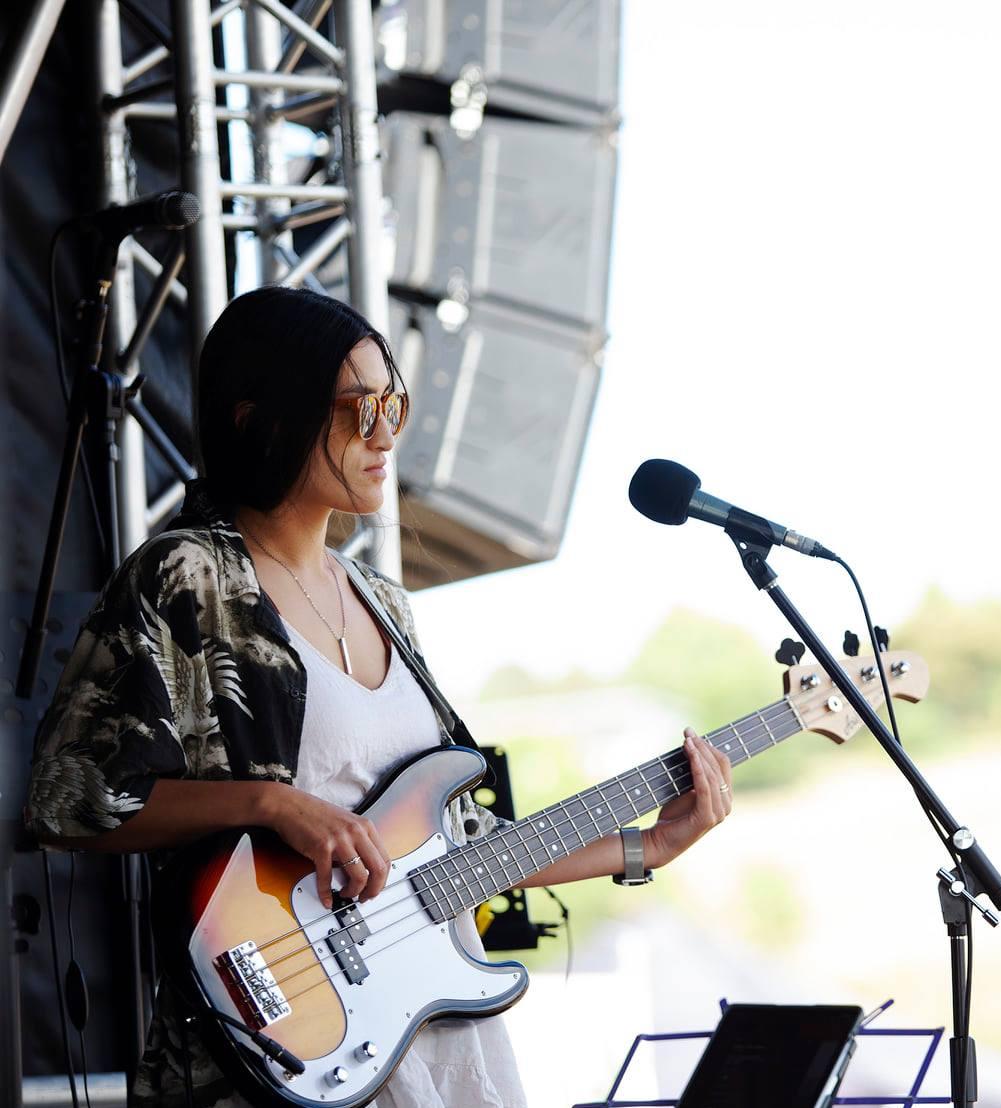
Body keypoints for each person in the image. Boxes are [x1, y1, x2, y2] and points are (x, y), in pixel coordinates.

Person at [25, 286, 735, 1108]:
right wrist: (271, 804)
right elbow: (65, 799)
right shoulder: (189, 575)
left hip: (433, 1043)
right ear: (262, 416)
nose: (387, 433)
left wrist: (645, 847)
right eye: (361, 410)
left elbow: (457, 851)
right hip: (278, 1046)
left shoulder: (384, 603)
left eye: (393, 405)